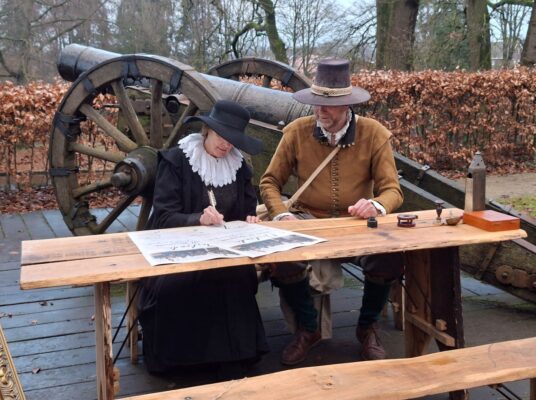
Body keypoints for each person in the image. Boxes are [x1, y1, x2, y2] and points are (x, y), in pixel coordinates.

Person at [259, 59, 404, 365]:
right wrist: (282, 215)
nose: (320, 111)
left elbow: (393, 190)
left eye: (328, 105)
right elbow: (270, 182)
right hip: (308, 219)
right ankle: (308, 329)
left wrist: (376, 205)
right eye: (316, 103)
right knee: (282, 258)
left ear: (346, 105)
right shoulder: (296, 132)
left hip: (356, 224)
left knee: (390, 256)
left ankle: (367, 328)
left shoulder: (374, 134)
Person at [138, 100, 269, 380]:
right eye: (222, 136)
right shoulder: (176, 161)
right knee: (181, 283)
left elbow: (246, 209)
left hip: (226, 249)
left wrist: (250, 220)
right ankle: (182, 363)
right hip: (176, 246)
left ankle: (233, 358)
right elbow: (163, 216)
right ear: (207, 129)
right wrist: (198, 219)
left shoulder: (238, 167)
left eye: (233, 139)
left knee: (236, 277)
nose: (226, 145)